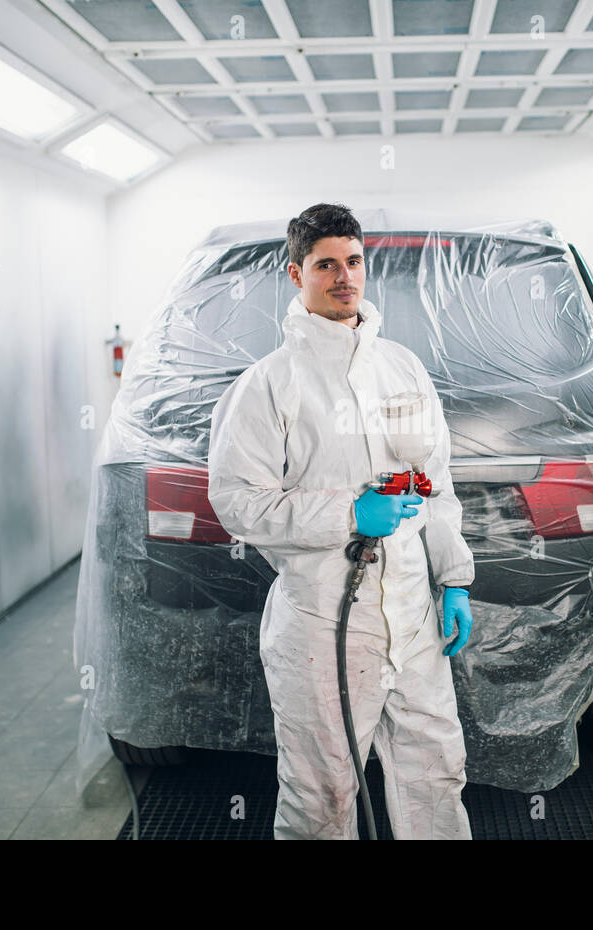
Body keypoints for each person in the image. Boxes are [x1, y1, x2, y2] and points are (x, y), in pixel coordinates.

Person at [207, 202, 475, 840]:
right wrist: (349, 513)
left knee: (436, 775)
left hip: (411, 617)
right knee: (322, 794)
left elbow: (435, 486)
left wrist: (455, 577)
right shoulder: (269, 385)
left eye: (353, 262)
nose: (343, 277)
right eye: (326, 264)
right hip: (322, 621)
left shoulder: (402, 369)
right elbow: (238, 503)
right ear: (296, 272)